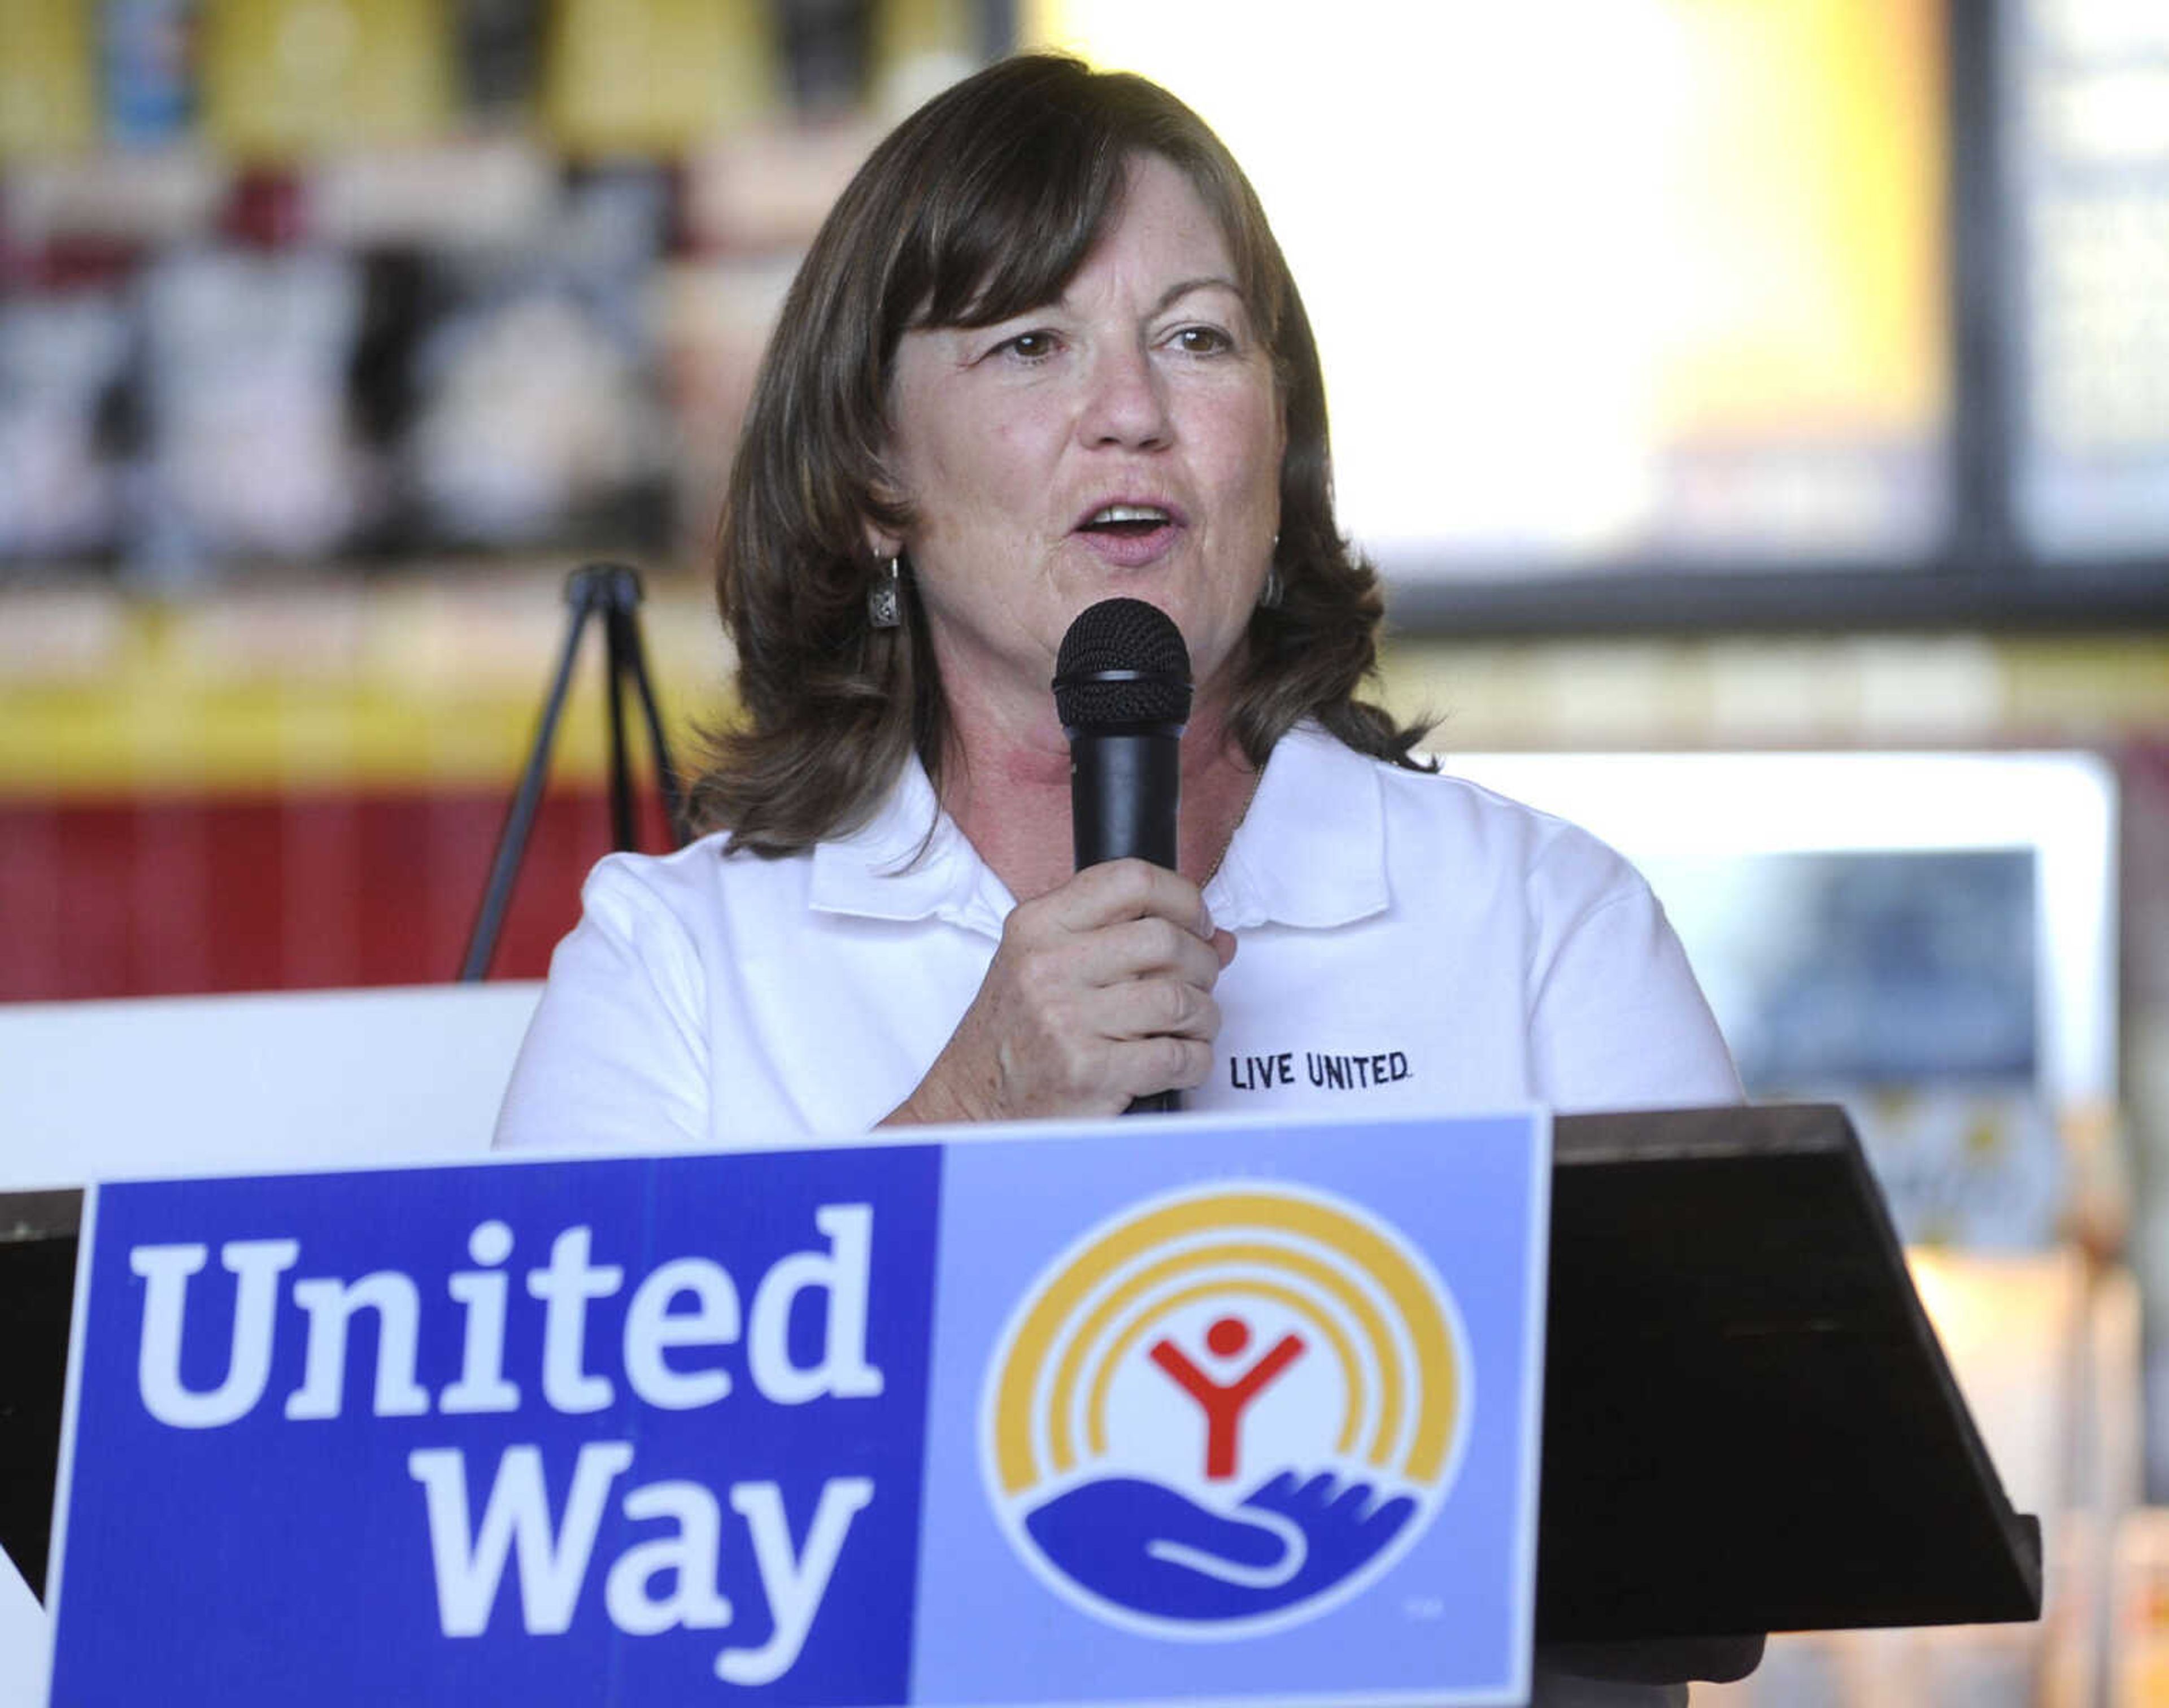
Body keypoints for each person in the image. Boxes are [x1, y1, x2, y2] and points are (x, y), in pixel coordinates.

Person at [495, 53, 1759, 1702]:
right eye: (1031, 343)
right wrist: (973, 1113)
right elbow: (538, 1545)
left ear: (1275, 444)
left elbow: (1733, 1556)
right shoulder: (672, 961)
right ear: (876, 474)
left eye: (1198, 339)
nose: (1132, 411)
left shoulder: (1540, 926)